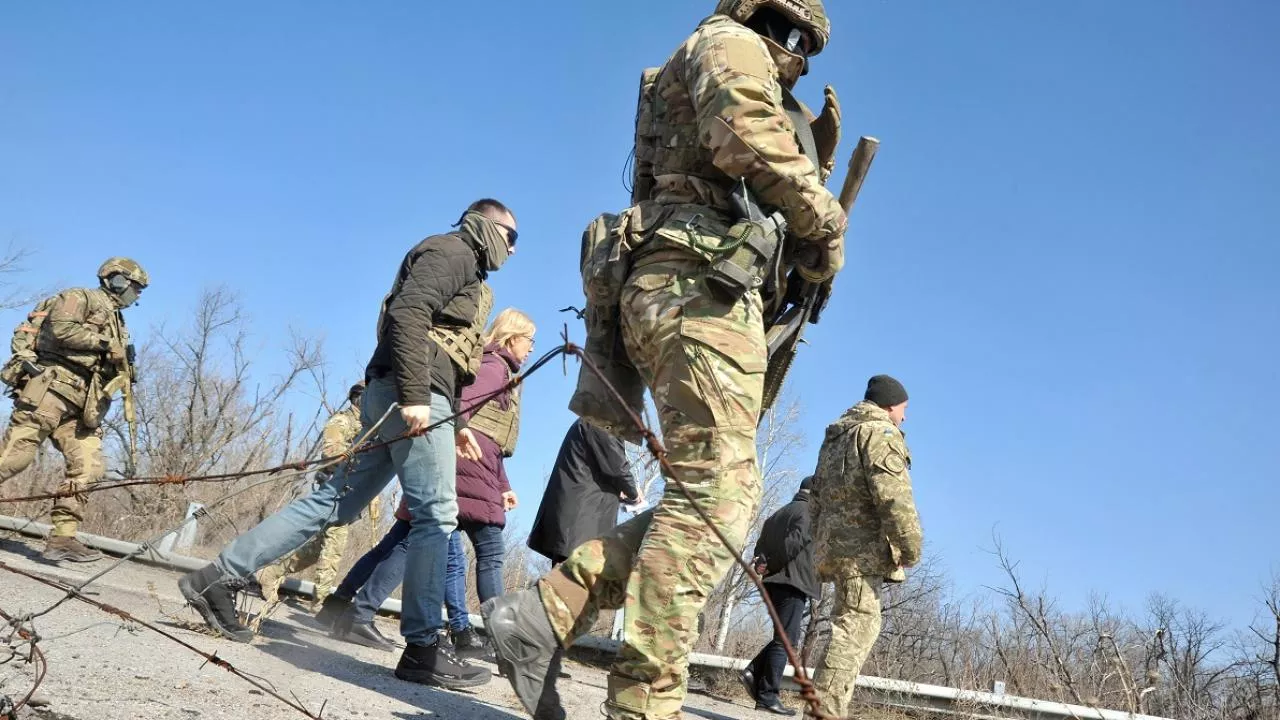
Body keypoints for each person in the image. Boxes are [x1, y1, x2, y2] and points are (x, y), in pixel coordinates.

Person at [481, 2, 848, 718]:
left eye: (805, 41)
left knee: (712, 498)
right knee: (719, 493)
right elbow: (745, 128)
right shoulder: (728, 42)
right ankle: (644, 700)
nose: (794, 48)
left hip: (697, 283)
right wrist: (824, 222)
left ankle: (543, 617)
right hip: (693, 281)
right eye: (788, 29)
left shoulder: (731, 49)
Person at [178, 198, 518, 692]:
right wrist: (418, 394)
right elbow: (408, 312)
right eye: (513, 237)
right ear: (488, 226)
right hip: (412, 392)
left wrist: (453, 416)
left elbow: (435, 334)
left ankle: (218, 575)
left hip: (405, 391)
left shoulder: (465, 263)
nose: (513, 249)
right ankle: (424, 648)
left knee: (335, 501)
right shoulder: (455, 251)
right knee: (437, 515)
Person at [326, 309, 536, 657]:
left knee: (412, 539)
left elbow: (490, 437)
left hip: (476, 469)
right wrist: (463, 454)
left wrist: (503, 483)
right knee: (488, 552)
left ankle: (357, 612)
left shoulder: (498, 369)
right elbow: (462, 412)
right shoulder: (493, 367)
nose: (530, 349)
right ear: (513, 336)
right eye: (529, 340)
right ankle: (499, 642)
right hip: (467, 469)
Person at [0, 257, 149, 562]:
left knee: (90, 468)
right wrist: (105, 343)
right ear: (117, 280)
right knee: (15, 458)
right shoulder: (80, 297)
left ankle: (62, 539)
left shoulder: (119, 321)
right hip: (51, 390)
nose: (137, 294)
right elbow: (62, 330)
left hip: (84, 404)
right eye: (135, 286)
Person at [806, 375, 923, 719]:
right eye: (903, 409)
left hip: (837, 549)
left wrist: (821, 541)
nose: (904, 417)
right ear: (890, 405)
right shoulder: (878, 432)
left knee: (847, 628)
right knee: (853, 633)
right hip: (863, 553)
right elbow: (894, 498)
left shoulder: (836, 437)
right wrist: (910, 547)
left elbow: (816, 498)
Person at [254, 381, 378, 622]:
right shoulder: (342, 422)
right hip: (336, 491)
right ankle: (321, 605)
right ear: (358, 398)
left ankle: (271, 572)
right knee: (334, 546)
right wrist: (356, 461)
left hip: (354, 493)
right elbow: (331, 454)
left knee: (316, 549)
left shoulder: (369, 426)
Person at [740, 477, 819, 716]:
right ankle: (767, 695)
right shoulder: (809, 512)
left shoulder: (778, 514)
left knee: (783, 638)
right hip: (791, 581)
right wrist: (772, 563)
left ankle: (753, 672)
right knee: (785, 641)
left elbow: (760, 547)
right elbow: (793, 544)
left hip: (774, 582)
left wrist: (763, 564)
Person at [527, 418, 640, 567]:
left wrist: (618, 491)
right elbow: (617, 466)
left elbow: (597, 467)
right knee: (569, 581)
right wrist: (634, 493)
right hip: (581, 522)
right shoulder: (602, 417)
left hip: (582, 519)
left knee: (573, 580)